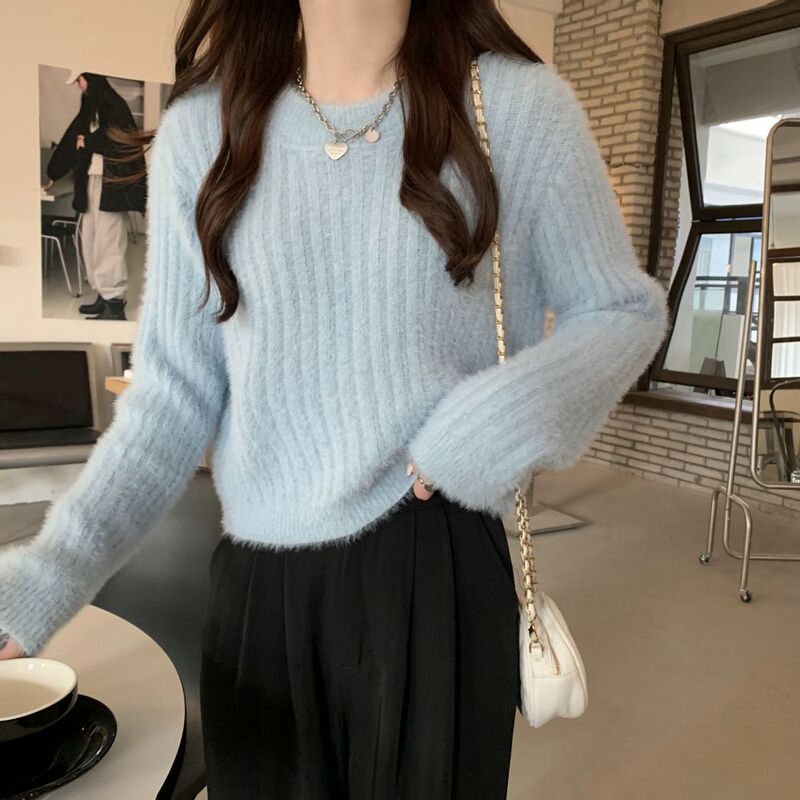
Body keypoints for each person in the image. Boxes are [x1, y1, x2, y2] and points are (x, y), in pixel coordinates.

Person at [1, 1, 670, 797]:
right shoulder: (205, 130)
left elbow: (620, 311)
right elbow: (172, 397)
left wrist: (487, 429)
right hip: (261, 588)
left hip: (436, 559)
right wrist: (48, 573)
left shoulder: (516, 107)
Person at [43, 70, 147, 320]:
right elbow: (71, 139)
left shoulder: (115, 106)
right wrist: (54, 173)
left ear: (90, 78)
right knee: (89, 240)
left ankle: (115, 304)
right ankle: (103, 294)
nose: (79, 87)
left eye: (79, 80)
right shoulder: (91, 109)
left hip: (112, 185)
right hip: (91, 181)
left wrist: (88, 142)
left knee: (108, 243)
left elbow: (120, 140)